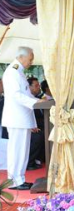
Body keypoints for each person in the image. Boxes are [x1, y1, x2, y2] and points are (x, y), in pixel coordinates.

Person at [2, 47, 45, 190]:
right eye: (30, 58)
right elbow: (16, 95)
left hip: (22, 119)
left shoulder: (19, 72)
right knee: (17, 150)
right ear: (21, 57)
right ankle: (13, 181)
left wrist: (39, 100)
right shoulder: (12, 72)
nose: (31, 62)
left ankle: (19, 179)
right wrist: (35, 102)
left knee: (22, 151)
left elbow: (25, 95)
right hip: (16, 119)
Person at [27, 77, 45, 170]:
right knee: (39, 135)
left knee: (48, 131)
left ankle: (40, 159)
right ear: (29, 87)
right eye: (36, 85)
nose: (39, 87)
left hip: (38, 125)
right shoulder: (26, 99)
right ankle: (29, 162)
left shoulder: (38, 98)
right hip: (27, 126)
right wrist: (31, 126)